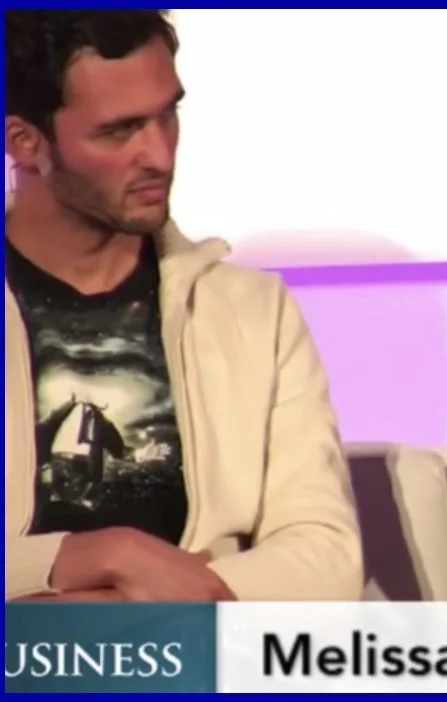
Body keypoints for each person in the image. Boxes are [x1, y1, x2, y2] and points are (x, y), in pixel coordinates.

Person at [4, 10, 363, 602]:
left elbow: (326, 554)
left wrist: (103, 611)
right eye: (118, 131)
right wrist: (83, 554)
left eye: (167, 114)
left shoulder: (252, 312)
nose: (161, 155)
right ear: (25, 140)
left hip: (206, 667)